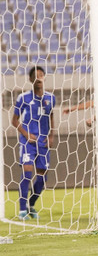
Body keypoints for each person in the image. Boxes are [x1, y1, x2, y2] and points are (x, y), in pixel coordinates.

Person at [12, 66, 56, 220]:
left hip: (43, 142)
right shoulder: (23, 98)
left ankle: (31, 204)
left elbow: (51, 116)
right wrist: (26, 134)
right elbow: (14, 120)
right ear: (30, 79)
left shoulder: (51, 98)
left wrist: (51, 136)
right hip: (27, 142)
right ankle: (22, 210)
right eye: (35, 76)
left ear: (44, 77)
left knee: (43, 178)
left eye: (41, 75)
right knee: (27, 172)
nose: (38, 78)